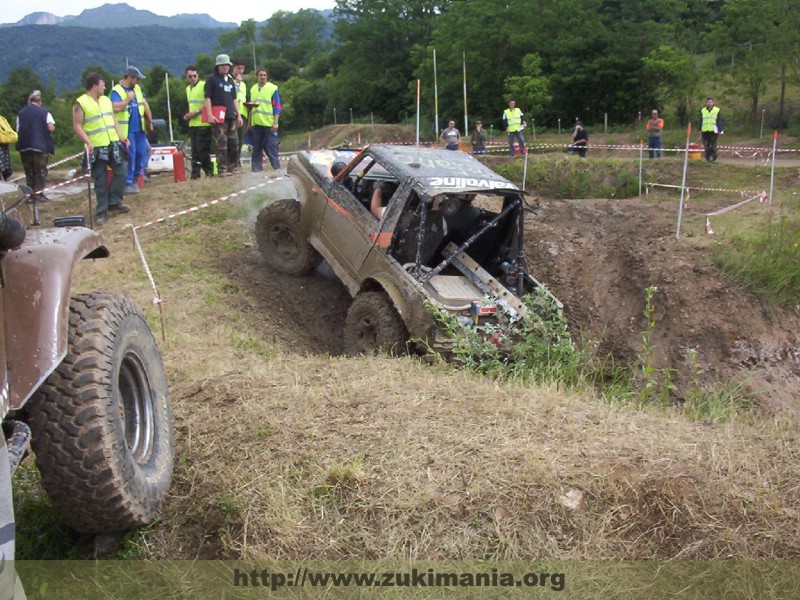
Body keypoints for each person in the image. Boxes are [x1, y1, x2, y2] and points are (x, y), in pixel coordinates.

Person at [73, 72, 131, 225]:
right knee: (101, 180)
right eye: (102, 84)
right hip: (96, 147)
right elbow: (77, 125)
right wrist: (88, 142)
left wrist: (122, 137)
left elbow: (113, 120)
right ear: (94, 86)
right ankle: (101, 212)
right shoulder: (81, 102)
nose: (104, 87)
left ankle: (114, 202)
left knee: (122, 171)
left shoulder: (106, 100)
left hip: (112, 143)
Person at [110, 66, 153, 194]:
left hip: (139, 128)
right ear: (130, 77)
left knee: (142, 153)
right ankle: (127, 183)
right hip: (126, 130)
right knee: (131, 156)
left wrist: (149, 121)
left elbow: (144, 104)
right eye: (136, 79)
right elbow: (115, 108)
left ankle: (135, 179)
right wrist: (128, 99)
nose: (138, 82)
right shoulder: (116, 91)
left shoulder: (137, 89)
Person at [204, 54, 242, 176]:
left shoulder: (230, 80)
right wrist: (209, 114)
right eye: (223, 65)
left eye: (227, 65)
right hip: (218, 117)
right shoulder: (212, 79)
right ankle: (222, 169)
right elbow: (207, 98)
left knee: (234, 143)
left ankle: (233, 167)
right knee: (221, 144)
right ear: (218, 66)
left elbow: (234, 98)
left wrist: (239, 115)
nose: (225, 67)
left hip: (231, 115)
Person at [15, 89, 55, 200]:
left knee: (29, 172)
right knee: (40, 171)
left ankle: (30, 195)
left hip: (24, 146)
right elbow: (51, 127)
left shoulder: (21, 113)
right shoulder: (44, 112)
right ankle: (40, 194)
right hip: (39, 146)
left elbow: (18, 129)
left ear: (29, 101)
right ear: (39, 101)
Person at [249, 67, 282, 172]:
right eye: (260, 75)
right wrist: (249, 122)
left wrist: (275, 122)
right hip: (256, 123)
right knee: (256, 148)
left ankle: (276, 167)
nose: (262, 77)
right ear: (257, 76)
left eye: (264, 75)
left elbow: (277, 107)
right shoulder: (253, 89)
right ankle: (256, 169)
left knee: (271, 147)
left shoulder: (272, 89)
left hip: (268, 123)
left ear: (267, 77)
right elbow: (251, 107)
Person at [183, 65, 213, 179]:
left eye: (194, 76)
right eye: (190, 76)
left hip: (203, 123)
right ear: (186, 77)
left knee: (203, 151)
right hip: (193, 124)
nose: (192, 78)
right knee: (195, 151)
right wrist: (189, 114)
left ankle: (209, 172)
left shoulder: (203, 86)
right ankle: (195, 174)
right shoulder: (188, 89)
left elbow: (208, 103)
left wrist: (195, 112)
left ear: (198, 76)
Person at [233, 58, 248, 164]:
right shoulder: (229, 80)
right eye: (239, 68)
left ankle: (237, 161)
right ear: (233, 68)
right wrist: (236, 83)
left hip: (243, 114)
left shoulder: (243, 84)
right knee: (233, 140)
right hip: (232, 114)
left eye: (243, 68)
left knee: (240, 139)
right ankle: (232, 162)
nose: (241, 71)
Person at [699, 97, 724, 162]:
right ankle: (707, 158)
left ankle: (714, 158)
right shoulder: (703, 110)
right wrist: (699, 129)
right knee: (706, 145)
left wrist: (720, 130)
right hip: (705, 130)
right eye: (707, 102)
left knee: (713, 146)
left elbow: (720, 120)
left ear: (713, 103)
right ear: (706, 103)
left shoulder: (717, 110)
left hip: (713, 131)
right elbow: (700, 120)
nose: (709, 103)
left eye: (710, 102)